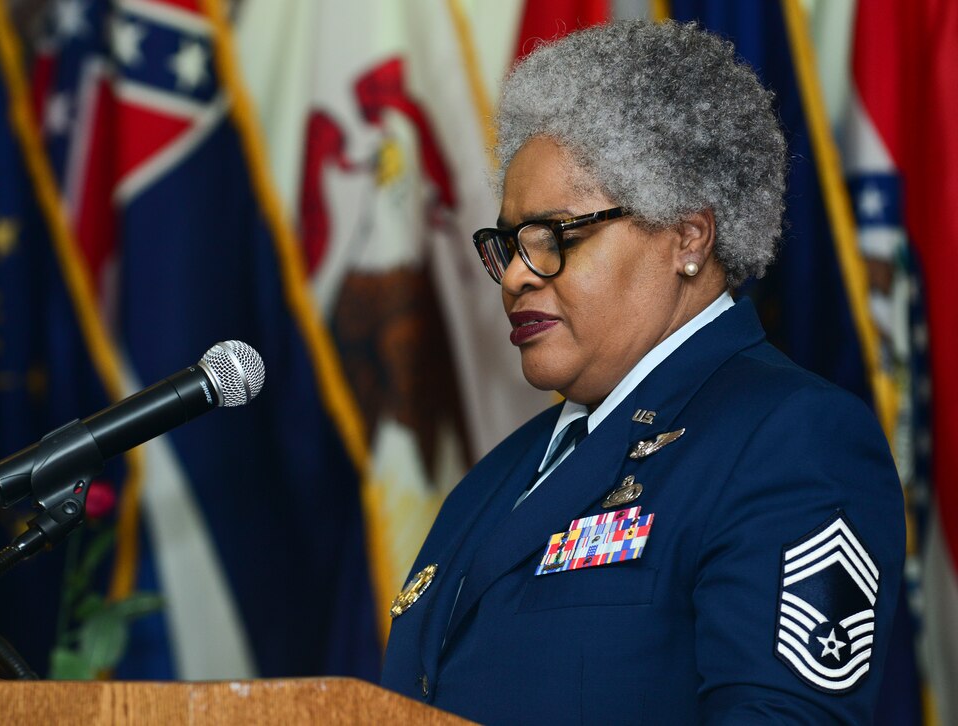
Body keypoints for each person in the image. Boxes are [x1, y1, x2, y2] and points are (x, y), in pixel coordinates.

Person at [379, 20, 904, 724]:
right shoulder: (492, 482)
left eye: (553, 237)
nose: (513, 280)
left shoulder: (790, 440)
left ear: (687, 237)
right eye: (507, 245)